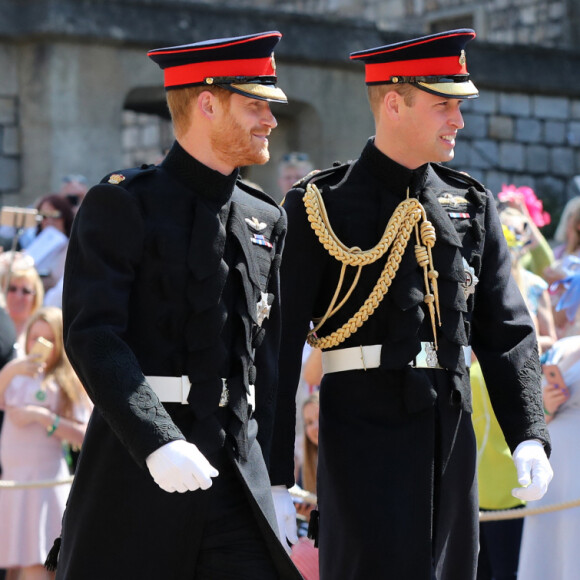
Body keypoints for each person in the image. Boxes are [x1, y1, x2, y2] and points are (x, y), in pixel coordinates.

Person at [272, 29, 553, 580]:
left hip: (449, 431)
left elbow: (506, 331)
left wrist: (528, 434)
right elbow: (277, 347)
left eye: (459, 106)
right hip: (361, 432)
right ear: (394, 103)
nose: (458, 120)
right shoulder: (319, 205)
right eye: (443, 104)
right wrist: (276, 473)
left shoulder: (469, 202)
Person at [49, 31, 302, 580]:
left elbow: (273, 360)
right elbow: (94, 337)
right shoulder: (122, 202)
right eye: (255, 105)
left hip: (238, 471)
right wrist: (158, 440)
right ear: (208, 103)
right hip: (140, 465)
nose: (270, 121)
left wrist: (277, 480)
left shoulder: (264, 218)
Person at [0, 307, 91, 580]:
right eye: (34, 337)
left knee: (38, 567)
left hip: (43, 486)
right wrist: (10, 370)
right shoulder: (15, 374)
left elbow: (86, 435)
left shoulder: (67, 381)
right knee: (17, 570)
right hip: (15, 485)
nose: (39, 345)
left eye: (49, 338)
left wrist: (44, 418)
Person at [518, 335, 580, 580]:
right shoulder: (563, 347)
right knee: (546, 537)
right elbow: (537, 414)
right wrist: (547, 407)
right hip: (553, 458)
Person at [0, 253, 45, 346]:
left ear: (35, 295)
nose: (18, 296)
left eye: (26, 291)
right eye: (12, 289)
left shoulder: (43, 332)